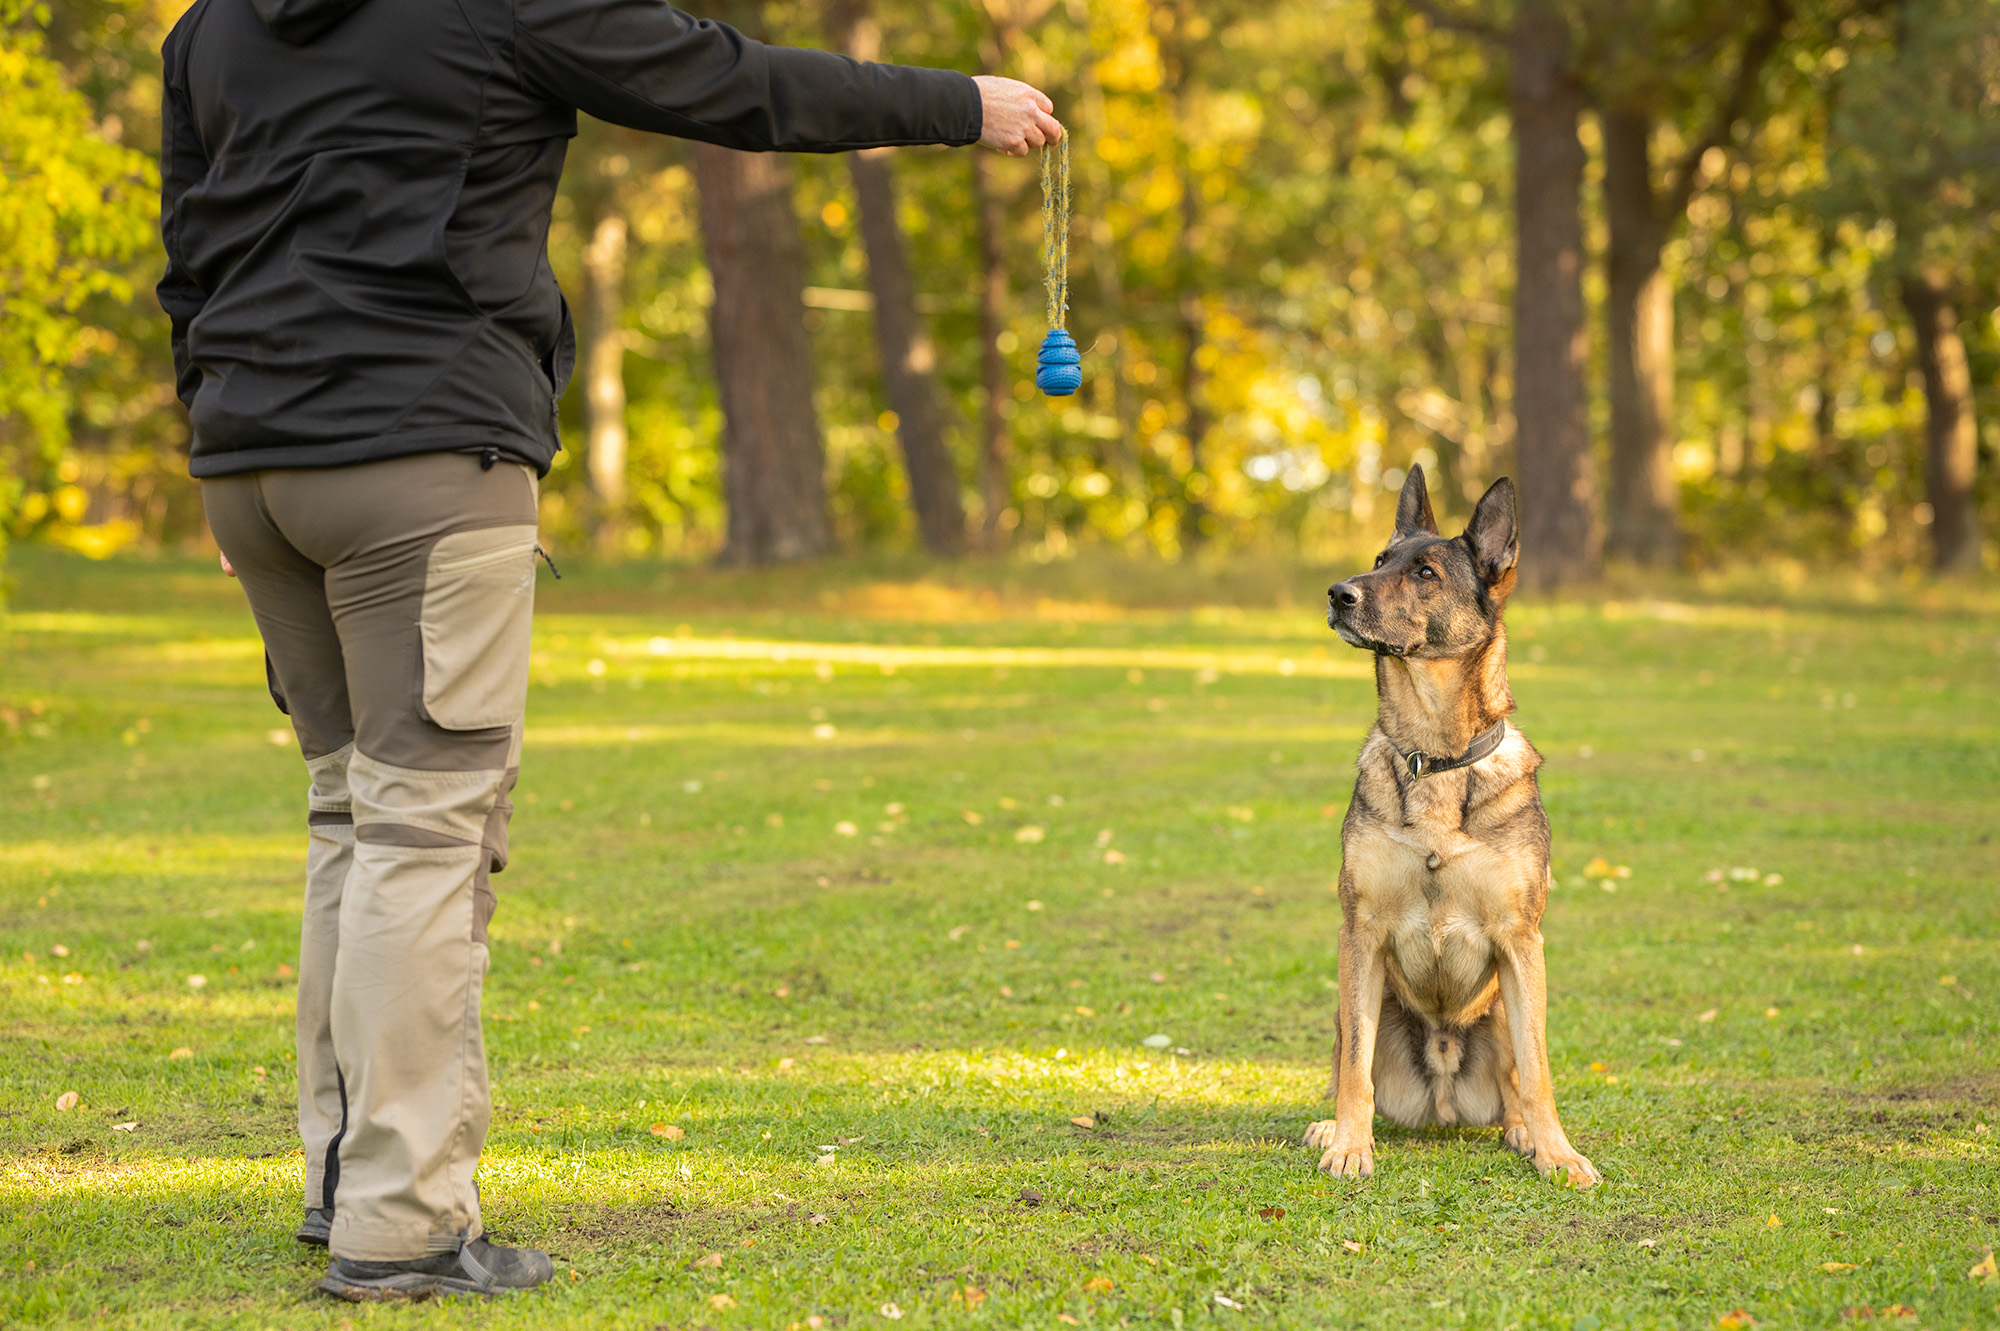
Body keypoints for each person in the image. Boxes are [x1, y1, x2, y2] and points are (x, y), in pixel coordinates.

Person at [160, 0, 1061, 1301]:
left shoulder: (211, 27)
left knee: (351, 814)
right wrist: (959, 104)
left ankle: (343, 1180)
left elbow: (189, 253)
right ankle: (402, 1224)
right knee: (423, 829)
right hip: (419, 453)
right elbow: (734, 85)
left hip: (254, 462)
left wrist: (216, 449)